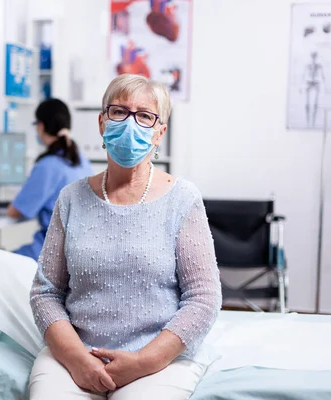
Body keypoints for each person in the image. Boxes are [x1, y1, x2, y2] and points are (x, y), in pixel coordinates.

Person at [29, 74, 222, 399]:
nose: (131, 124)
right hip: (75, 354)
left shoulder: (183, 200)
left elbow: (203, 298)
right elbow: (46, 294)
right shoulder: (71, 199)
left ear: (160, 131)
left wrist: (146, 360)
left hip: (161, 358)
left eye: (145, 116)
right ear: (102, 123)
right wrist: (76, 358)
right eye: (119, 112)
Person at [7, 99, 93, 261]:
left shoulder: (48, 165)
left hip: (52, 254)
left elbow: (15, 211)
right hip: (76, 254)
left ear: (40, 126)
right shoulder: (81, 160)